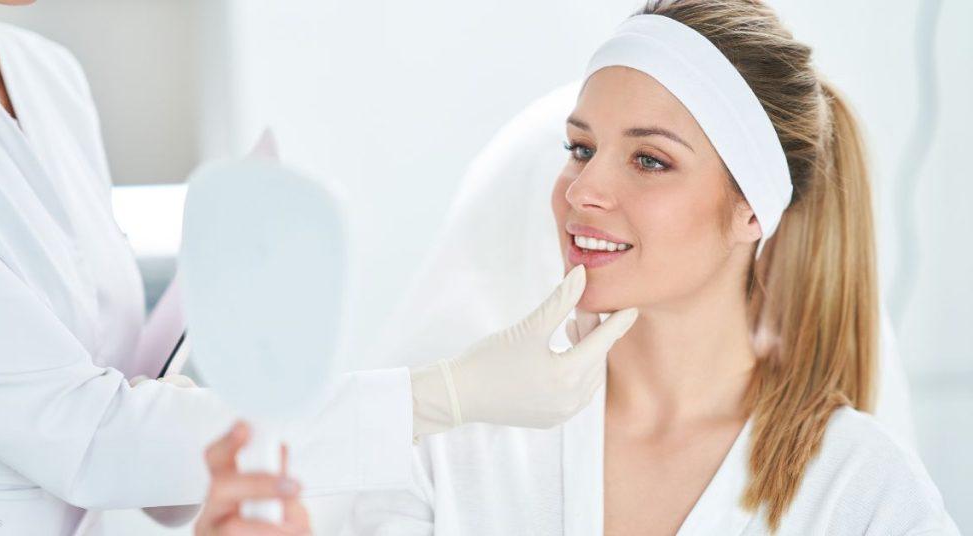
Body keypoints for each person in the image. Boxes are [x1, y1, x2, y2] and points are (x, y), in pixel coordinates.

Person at [0, 1, 636, 534]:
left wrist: (195, 390)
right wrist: (444, 395)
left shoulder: (50, 77)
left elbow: (109, 374)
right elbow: (90, 437)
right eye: (578, 150)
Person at [327, 1, 957, 534]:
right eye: (581, 149)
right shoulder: (464, 450)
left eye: (650, 160)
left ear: (750, 211)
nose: (580, 191)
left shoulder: (863, 493)